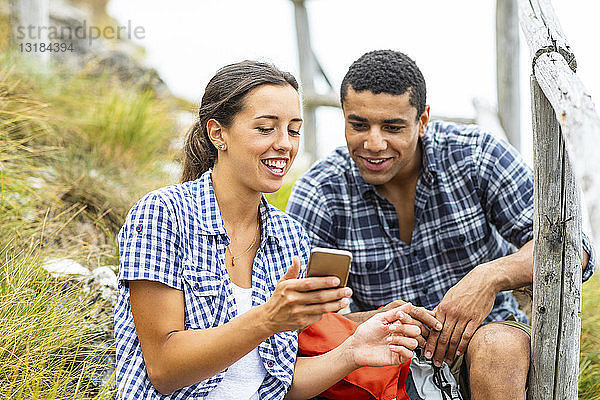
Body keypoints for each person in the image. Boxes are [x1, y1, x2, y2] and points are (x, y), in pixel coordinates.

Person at [114, 60, 438, 400]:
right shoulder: (162, 215)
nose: (285, 143)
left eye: (294, 129)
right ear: (217, 133)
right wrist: (268, 318)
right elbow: (165, 370)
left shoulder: (290, 237)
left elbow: (282, 385)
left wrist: (352, 351)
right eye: (266, 128)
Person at [286, 50, 596, 400]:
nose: (373, 144)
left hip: (486, 340)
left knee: (497, 345)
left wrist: (489, 277)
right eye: (358, 125)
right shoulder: (320, 190)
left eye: (393, 127)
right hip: (382, 361)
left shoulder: (476, 155)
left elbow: (575, 251)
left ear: (423, 120)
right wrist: (377, 319)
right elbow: (297, 319)